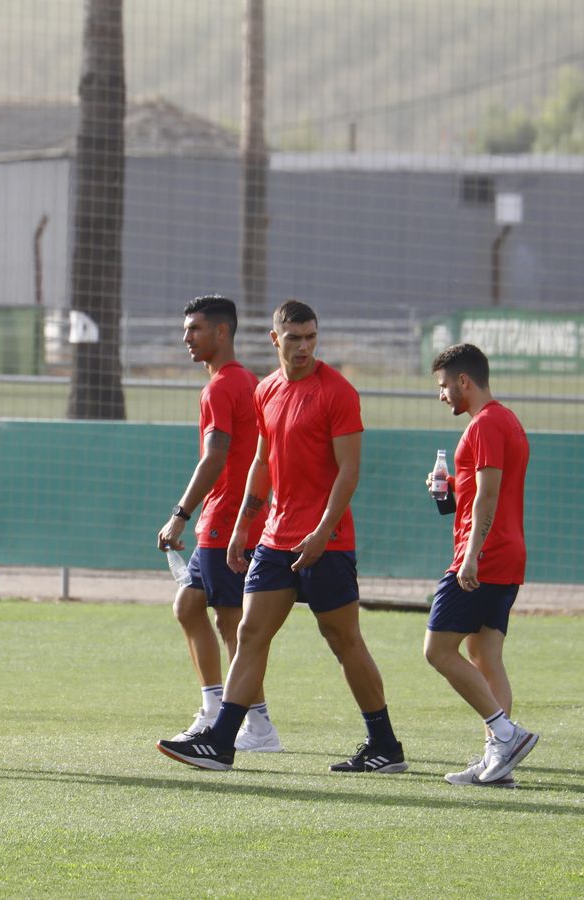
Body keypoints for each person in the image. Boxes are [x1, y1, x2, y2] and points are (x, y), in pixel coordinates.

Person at [157, 299, 405, 773]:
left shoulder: (338, 392)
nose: (303, 348)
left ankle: (384, 745)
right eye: (294, 339)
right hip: (273, 539)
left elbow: (349, 471)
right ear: (276, 340)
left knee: (344, 641)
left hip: (325, 544)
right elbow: (260, 463)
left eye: (311, 337)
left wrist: (322, 531)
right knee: (248, 633)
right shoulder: (266, 391)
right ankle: (223, 743)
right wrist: (243, 526)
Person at [156, 296, 281, 753]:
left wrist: (180, 513)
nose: (187, 337)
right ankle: (215, 710)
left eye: (195, 329)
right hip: (227, 517)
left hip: (225, 521)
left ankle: (257, 725)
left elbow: (215, 456)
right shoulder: (244, 381)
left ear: (222, 332)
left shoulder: (222, 387)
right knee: (189, 608)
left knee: (232, 625)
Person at [424, 343, 536, 787]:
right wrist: (449, 487)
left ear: (464, 381)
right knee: (485, 657)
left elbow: (489, 495)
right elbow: (480, 492)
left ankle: (506, 735)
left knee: (436, 650)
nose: (442, 395)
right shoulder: (504, 420)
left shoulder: (485, 425)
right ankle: (498, 762)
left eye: (444, 385)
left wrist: (470, 556)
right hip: (506, 553)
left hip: (484, 556)